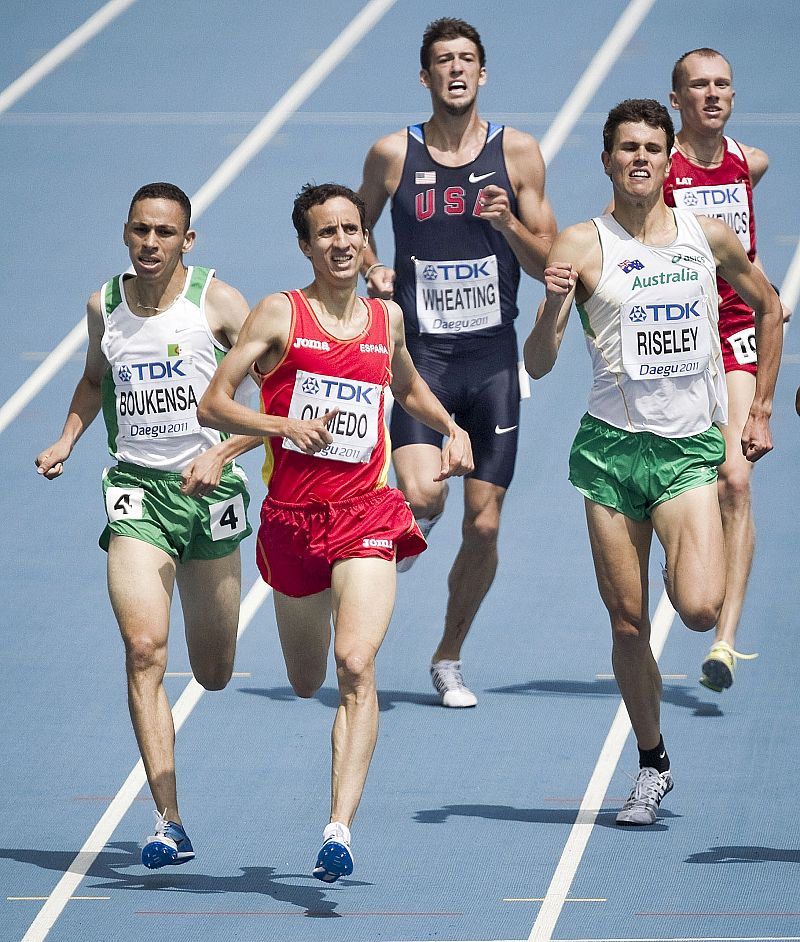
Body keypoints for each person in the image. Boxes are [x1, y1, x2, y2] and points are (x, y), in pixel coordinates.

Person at [197, 182, 473, 881]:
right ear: (305, 245)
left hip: (366, 513)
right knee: (304, 677)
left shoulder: (387, 318)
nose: (343, 242)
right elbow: (214, 403)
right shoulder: (279, 315)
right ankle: (331, 786)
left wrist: (449, 426)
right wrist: (279, 426)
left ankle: (339, 828)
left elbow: (403, 385)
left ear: (365, 238)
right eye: (327, 233)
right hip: (292, 523)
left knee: (356, 664)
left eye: (352, 230)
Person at [524, 100, 782, 825]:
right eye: (627, 148)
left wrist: (758, 407)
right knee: (629, 623)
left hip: (686, 452)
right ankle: (651, 763)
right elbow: (538, 366)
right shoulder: (579, 244)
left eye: (652, 148)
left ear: (670, 160)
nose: (640, 158)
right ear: (606, 160)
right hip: (608, 453)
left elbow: (768, 308)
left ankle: (683, 553)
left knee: (697, 608)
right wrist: (550, 311)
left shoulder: (709, 235)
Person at [36, 183, 261, 868]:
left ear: (187, 241)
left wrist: (222, 450)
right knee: (143, 649)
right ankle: (168, 819)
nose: (151, 244)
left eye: (166, 233)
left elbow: (280, 395)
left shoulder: (217, 303)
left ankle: (212, 668)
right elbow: (92, 381)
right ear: (126, 234)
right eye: (141, 231)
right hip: (136, 491)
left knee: (215, 669)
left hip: (210, 492)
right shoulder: (103, 305)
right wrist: (67, 440)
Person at [357, 17, 556, 707]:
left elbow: (550, 264)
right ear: (425, 76)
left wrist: (506, 224)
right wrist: (375, 272)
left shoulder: (519, 153)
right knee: (421, 494)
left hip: (494, 362)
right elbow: (351, 232)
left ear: (484, 72)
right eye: (442, 60)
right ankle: (414, 520)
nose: (456, 69)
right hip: (422, 358)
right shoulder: (392, 153)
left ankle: (448, 656)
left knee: (485, 524)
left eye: (467, 58)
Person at [665, 47, 789, 692]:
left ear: (733, 96)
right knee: (691, 479)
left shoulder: (749, 162)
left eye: (722, 85)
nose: (712, 95)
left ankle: (726, 641)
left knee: (736, 481)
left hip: (737, 331)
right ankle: (679, 562)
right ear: (677, 98)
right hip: (681, 339)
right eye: (698, 86)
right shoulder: (662, 171)